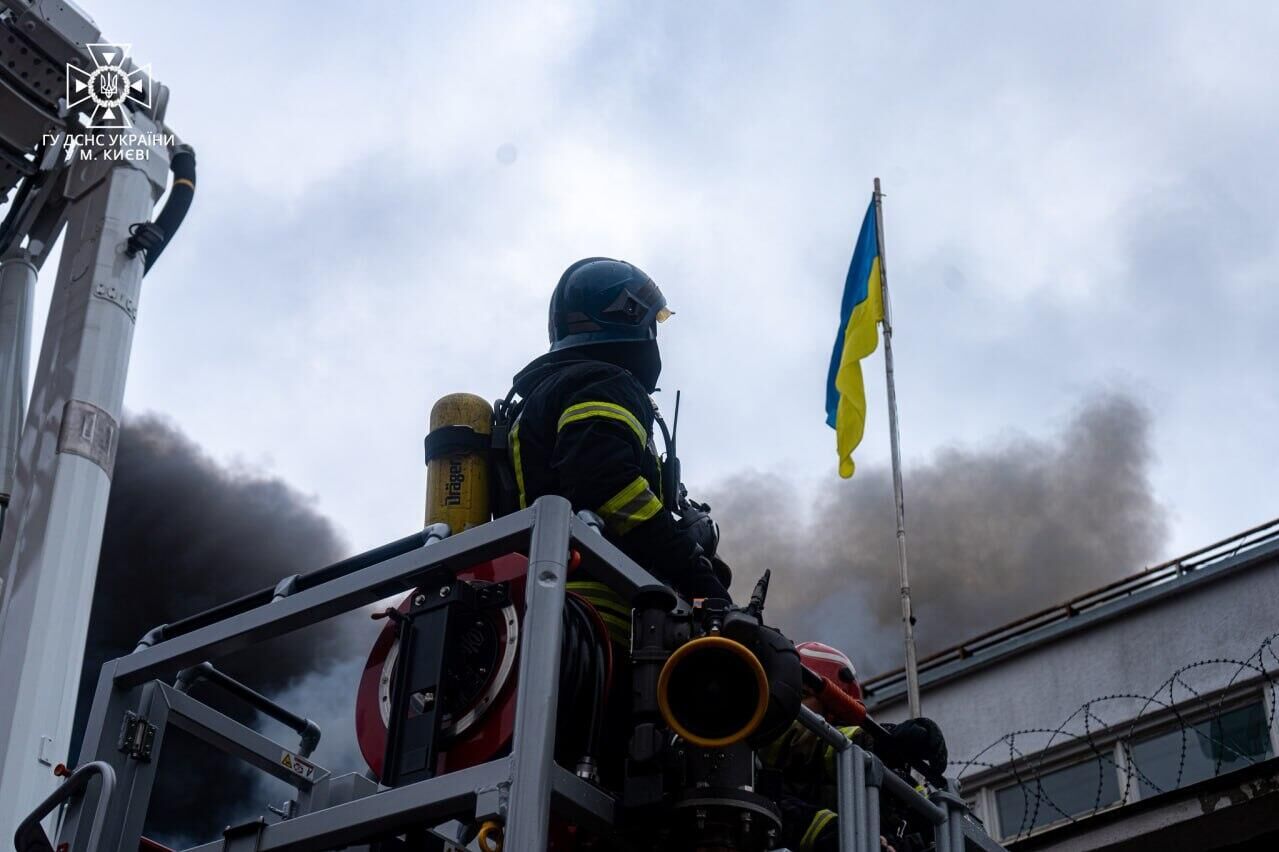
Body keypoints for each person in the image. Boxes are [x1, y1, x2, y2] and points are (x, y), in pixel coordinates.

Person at [504, 257, 731, 617]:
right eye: (653, 323)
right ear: (627, 313)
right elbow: (606, 482)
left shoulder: (547, 393)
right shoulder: (603, 383)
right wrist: (690, 566)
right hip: (601, 614)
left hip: (542, 609)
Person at [765, 642, 949, 852]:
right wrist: (878, 742)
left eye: (802, 695)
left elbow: (927, 831)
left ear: (836, 708)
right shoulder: (757, 755)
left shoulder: (881, 773)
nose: (786, 701)